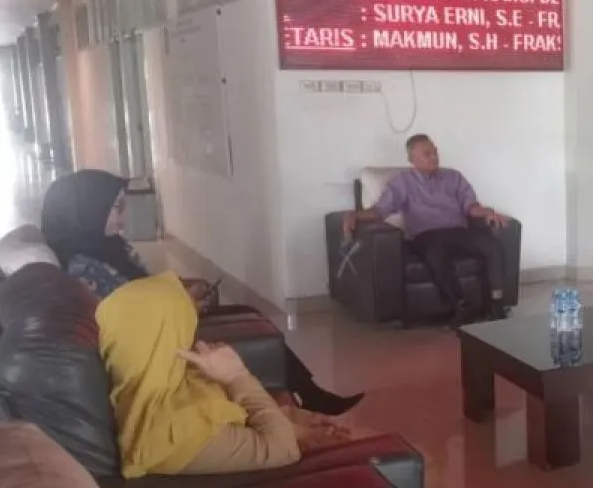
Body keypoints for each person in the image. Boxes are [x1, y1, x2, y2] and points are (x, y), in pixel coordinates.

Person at [97, 272, 507, 488]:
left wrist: (300, 419)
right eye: (181, 318)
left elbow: (237, 419)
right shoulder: (169, 432)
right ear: (161, 332)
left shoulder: (154, 387)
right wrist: (238, 376)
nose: (192, 328)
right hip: (278, 477)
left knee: (376, 442)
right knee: (421, 465)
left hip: (276, 445)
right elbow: (279, 450)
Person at [41, 169, 362, 415]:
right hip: (158, 344)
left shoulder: (107, 247)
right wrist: (185, 302)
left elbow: (144, 289)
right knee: (251, 328)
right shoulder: (83, 269)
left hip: (166, 323)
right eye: (116, 207)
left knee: (250, 314)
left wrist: (181, 289)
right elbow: (132, 319)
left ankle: (309, 391)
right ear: (88, 212)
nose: (124, 215)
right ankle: (311, 395)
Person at [344, 134, 512, 326]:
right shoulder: (403, 182)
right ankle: (461, 304)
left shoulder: (454, 177)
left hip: (458, 231)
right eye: (427, 154)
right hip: (426, 236)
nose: (434, 157)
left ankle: (496, 305)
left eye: (435, 152)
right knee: (436, 252)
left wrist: (487, 212)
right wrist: (356, 215)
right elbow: (381, 210)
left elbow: (471, 206)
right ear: (412, 159)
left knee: (491, 245)